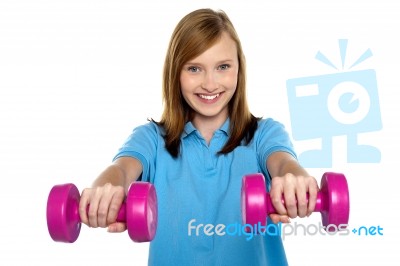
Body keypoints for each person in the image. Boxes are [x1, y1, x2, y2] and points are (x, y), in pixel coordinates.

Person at [79, 8, 319, 266]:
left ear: (239, 69)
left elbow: (283, 163)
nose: (210, 83)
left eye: (223, 67)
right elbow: (122, 169)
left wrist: (296, 180)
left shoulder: (263, 135)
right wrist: (105, 190)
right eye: (194, 69)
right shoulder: (151, 139)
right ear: (175, 73)